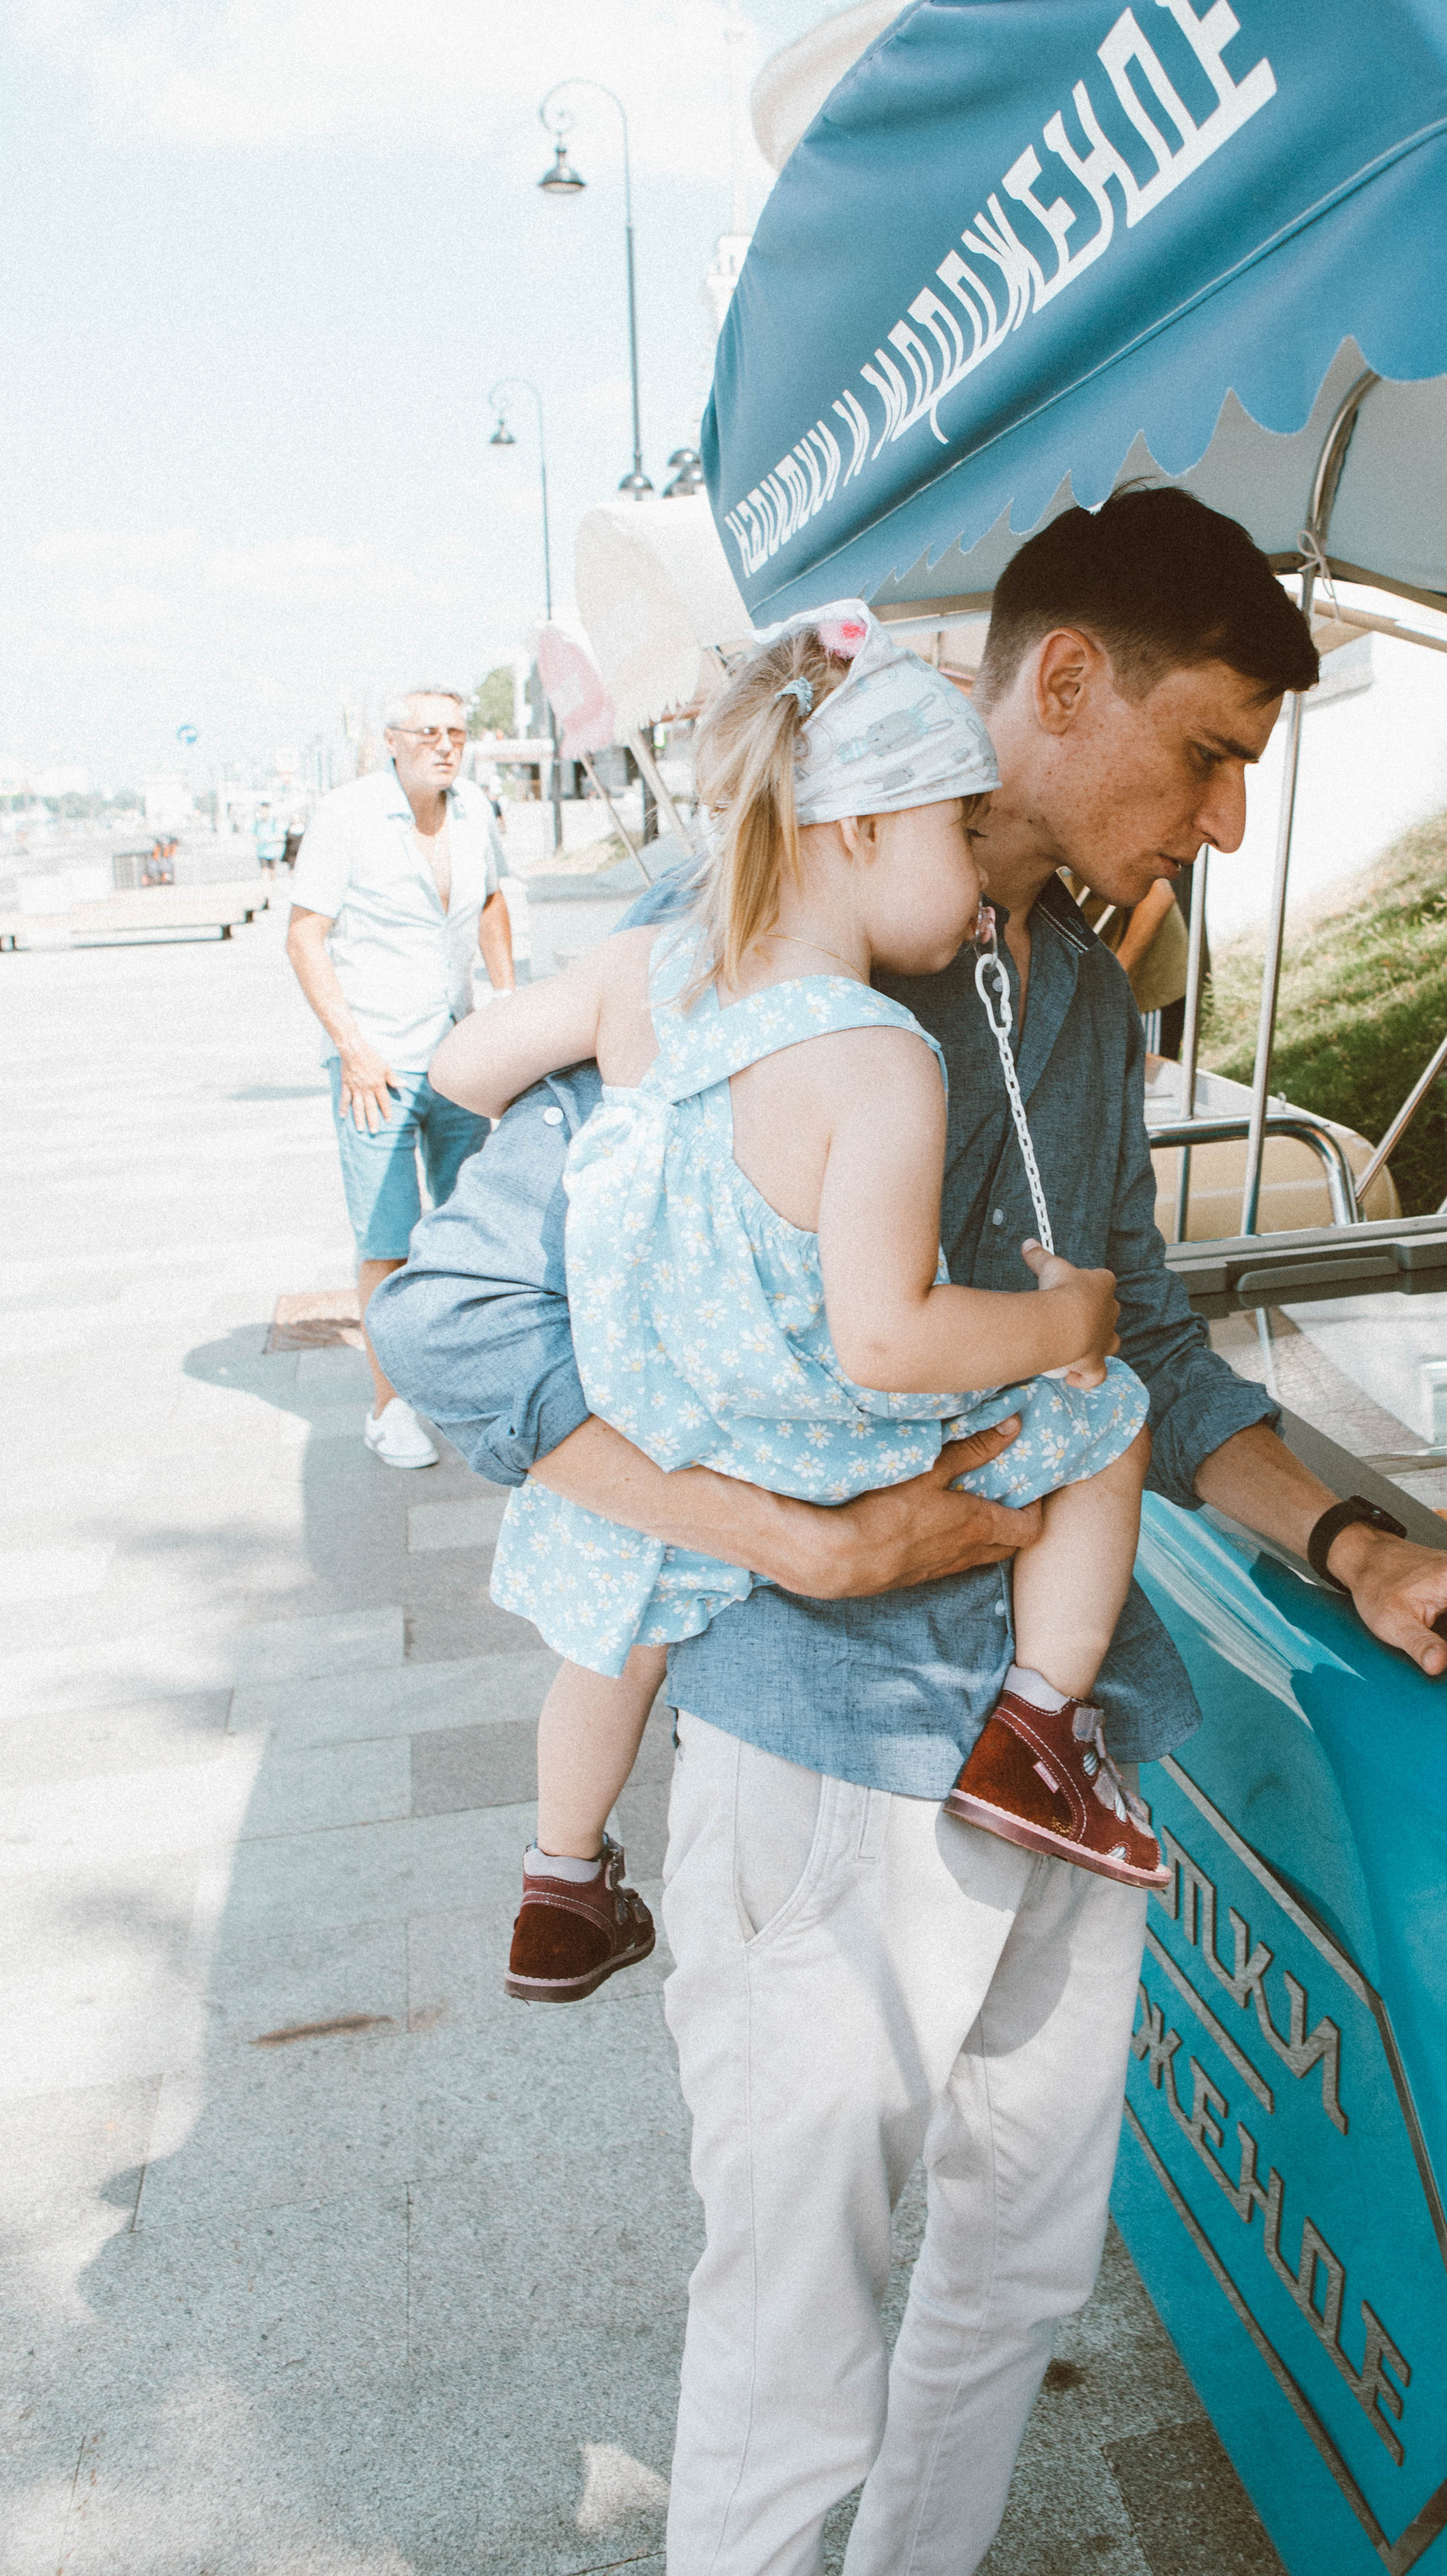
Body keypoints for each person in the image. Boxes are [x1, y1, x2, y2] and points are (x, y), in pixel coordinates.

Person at [368, 489, 1447, 2576]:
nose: (1223, 824)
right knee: (792, 2334)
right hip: (818, 1742)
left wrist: (1358, 1543)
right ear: (1055, 685)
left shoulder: (1088, 1005)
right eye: (1208, 751)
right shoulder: (752, 930)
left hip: (1064, 1739)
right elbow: (449, 1313)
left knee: (1019, 2277)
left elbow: (1155, 1344)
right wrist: (782, 1531)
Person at [429, 602, 1165, 2008]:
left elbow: (463, 1074)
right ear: (856, 832)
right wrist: (1069, 1329)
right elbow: (890, 1340)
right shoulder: (879, 1053)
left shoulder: (649, 976)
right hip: (826, 1441)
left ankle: (561, 1881)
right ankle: (1040, 1729)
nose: (972, 872)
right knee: (1108, 1424)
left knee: (615, 1629)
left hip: (674, 1429)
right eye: (957, 831)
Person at [287, 686, 513, 1469]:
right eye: (428, 733)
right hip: (374, 1063)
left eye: (457, 732)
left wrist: (505, 1001)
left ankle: (462, 1379)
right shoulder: (347, 815)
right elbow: (305, 936)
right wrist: (351, 1046)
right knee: (388, 1239)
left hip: (457, 1052)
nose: (445, 746)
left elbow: (488, 903)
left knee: (470, 1226)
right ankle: (391, 1407)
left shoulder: (476, 809)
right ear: (393, 740)